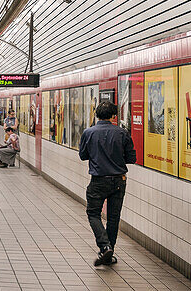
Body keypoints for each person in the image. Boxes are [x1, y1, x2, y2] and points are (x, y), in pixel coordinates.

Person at [78, 101, 135, 267]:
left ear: (96, 114)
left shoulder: (88, 133)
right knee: (113, 217)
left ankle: (105, 246)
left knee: (93, 213)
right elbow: (131, 158)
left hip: (98, 181)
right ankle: (109, 253)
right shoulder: (122, 133)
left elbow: (83, 156)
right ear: (114, 116)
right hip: (119, 180)